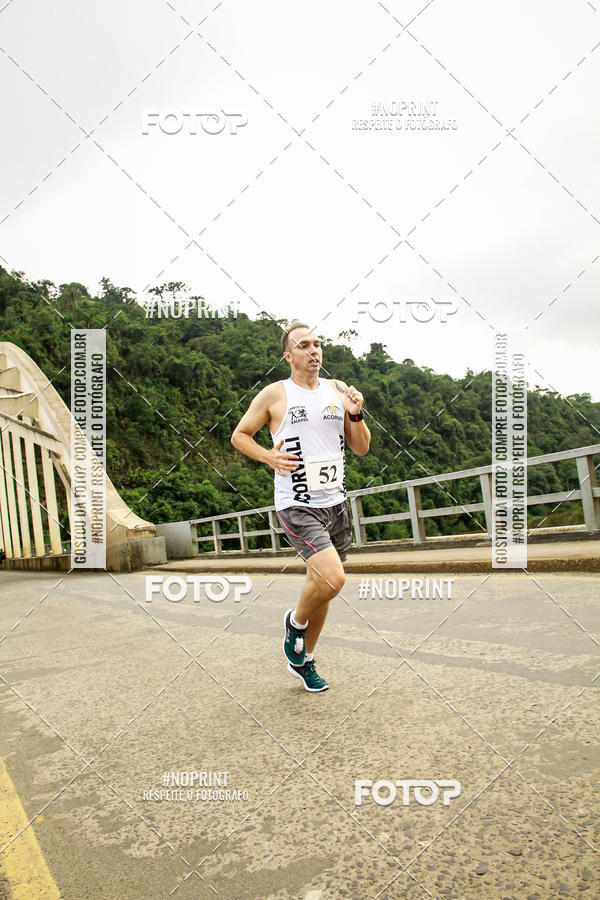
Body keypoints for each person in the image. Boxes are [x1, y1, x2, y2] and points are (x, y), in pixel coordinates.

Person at [231, 321, 371, 691]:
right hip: (297, 503)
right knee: (332, 578)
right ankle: (294, 624)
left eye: (318, 344)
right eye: (304, 345)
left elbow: (361, 447)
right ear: (288, 355)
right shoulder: (274, 395)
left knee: (320, 584)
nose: (314, 350)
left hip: (336, 502)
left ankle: (305, 660)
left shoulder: (337, 390)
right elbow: (239, 435)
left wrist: (355, 413)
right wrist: (268, 457)